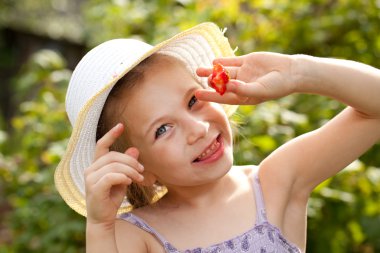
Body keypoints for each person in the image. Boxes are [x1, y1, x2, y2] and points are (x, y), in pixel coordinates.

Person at [55, 22, 380, 253]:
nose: (197, 129)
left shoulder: (274, 184)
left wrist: (298, 72)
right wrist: (100, 228)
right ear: (136, 166)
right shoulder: (136, 236)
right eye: (162, 129)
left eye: (193, 101)